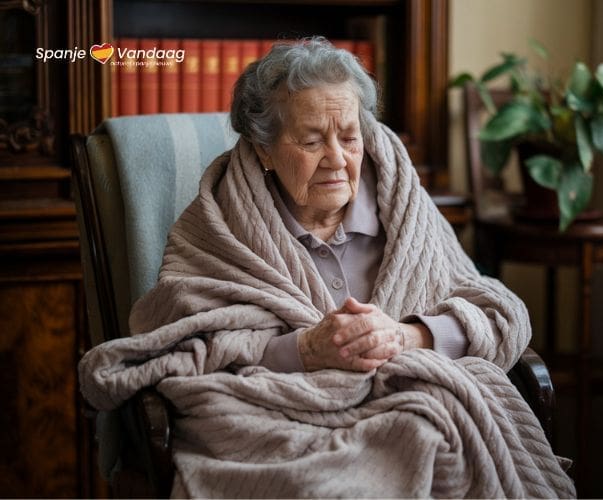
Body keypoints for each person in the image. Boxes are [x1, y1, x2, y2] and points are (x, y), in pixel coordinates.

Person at [79, 37, 575, 498]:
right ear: (263, 150)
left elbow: (493, 310)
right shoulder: (218, 224)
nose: (337, 159)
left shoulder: (403, 209)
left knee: (428, 432)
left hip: (418, 401)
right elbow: (185, 343)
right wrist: (307, 350)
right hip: (280, 418)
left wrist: (409, 337)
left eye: (349, 137)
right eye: (312, 140)